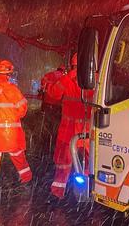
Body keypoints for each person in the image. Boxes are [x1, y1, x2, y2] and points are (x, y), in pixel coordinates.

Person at [0, 59, 32, 195]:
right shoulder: (11, 88)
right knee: (17, 154)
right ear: (8, 73)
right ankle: (26, 178)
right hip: (9, 132)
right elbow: (23, 109)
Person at [46, 53, 91, 199]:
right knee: (88, 162)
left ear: (72, 65)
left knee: (63, 162)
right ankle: (85, 193)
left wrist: (65, 77)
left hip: (68, 130)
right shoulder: (96, 79)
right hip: (88, 131)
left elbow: (53, 94)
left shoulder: (66, 79)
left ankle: (58, 193)